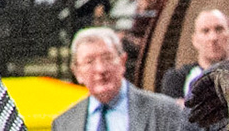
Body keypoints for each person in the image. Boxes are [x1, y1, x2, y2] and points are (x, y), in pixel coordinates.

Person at [55, 26, 187, 130]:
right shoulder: (64, 124)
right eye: (89, 62)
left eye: (107, 58)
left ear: (123, 62)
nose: (100, 69)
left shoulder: (164, 111)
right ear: (77, 72)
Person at [161, 8, 229, 101]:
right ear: (195, 40)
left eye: (219, 29)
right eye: (205, 31)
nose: (213, 38)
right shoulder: (178, 78)